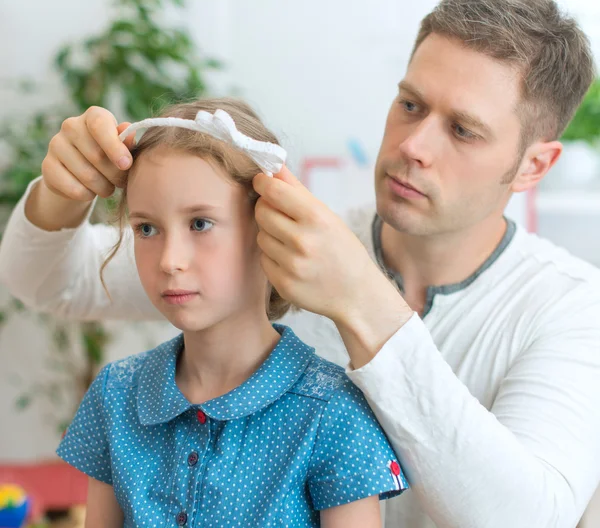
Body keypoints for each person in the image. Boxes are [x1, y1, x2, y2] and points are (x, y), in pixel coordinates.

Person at [1, 0, 599, 526]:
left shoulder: (572, 310)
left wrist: (362, 299)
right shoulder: (277, 233)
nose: (414, 146)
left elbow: (525, 517)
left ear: (533, 166)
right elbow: (54, 282)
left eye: (464, 130)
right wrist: (65, 189)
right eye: (411, 104)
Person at [52, 97, 408, 527]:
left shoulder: (332, 413)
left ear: (270, 227)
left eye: (200, 223)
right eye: (147, 228)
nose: (170, 260)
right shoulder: (116, 395)